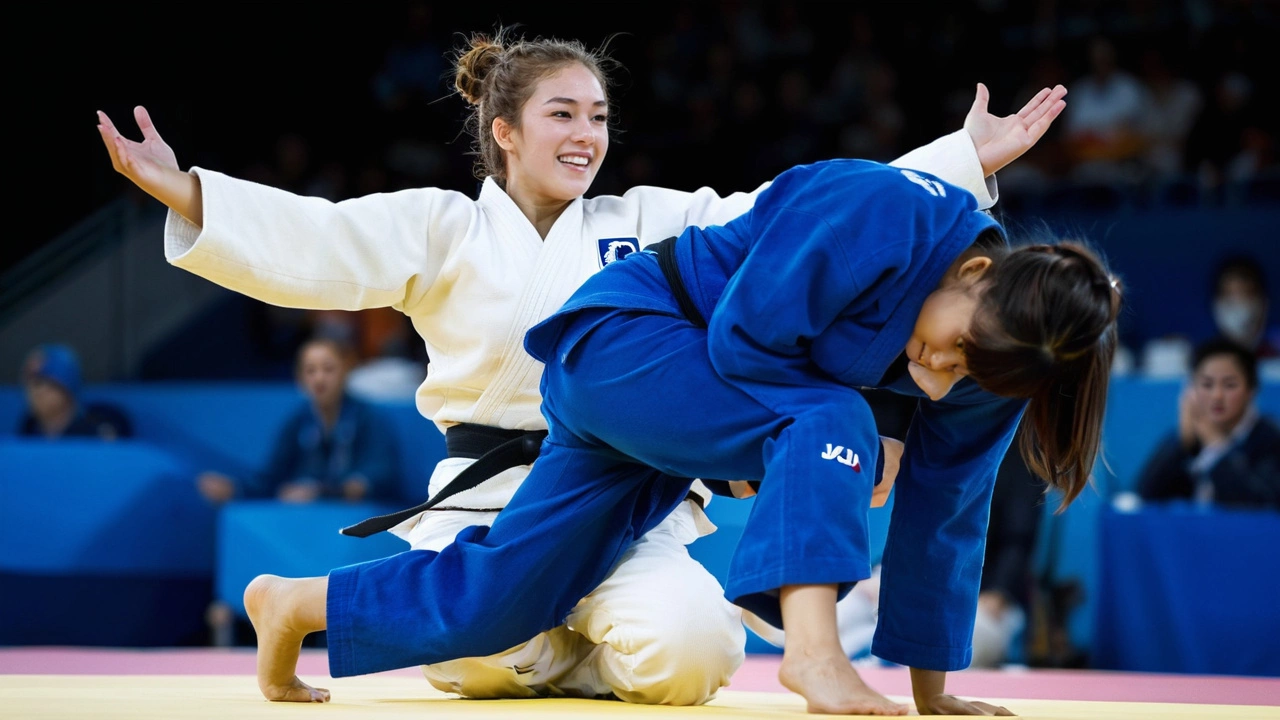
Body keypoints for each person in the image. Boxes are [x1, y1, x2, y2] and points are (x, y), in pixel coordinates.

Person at [97, 26, 1067, 707]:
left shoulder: (648, 219)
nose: (585, 137)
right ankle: (497, 625)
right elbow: (321, 240)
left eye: (598, 118)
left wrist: (952, 160)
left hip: (642, 473)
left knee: (690, 657)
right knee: (501, 631)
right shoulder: (440, 225)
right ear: (504, 132)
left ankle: (555, 627)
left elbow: (801, 221)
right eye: (561, 115)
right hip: (489, 485)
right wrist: (188, 193)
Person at [234, 158, 1117, 716]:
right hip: (631, 341)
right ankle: (813, 656)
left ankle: (297, 605)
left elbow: (947, 512)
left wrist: (934, 692)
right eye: (954, 346)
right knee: (832, 415)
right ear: (973, 269)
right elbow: (744, 340)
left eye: (968, 376)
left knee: (505, 599)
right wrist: (796, 456)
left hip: (670, 411)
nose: (941, 371)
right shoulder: (879, 207)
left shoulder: (1008, 354)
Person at [197, 337, 402, 504]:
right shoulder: (298, 421)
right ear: (300, 378)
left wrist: (321, 493)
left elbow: (377, 478)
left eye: (328, 369)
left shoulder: (367, 417)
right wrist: (234, 489)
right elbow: (270, 479)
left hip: (355, 521)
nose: (319, 379)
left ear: (346, 371)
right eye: (310, 370)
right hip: (305, 522)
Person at [1135, 337, 1280, 510]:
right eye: (1207, 384)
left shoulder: (1270, 439)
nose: (1217, 395)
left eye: (1229, 385)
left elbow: (1260, 505)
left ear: (1251, 390)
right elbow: (1145, 495)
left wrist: (1215, 446)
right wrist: (1183, 443)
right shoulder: (1186, 438)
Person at [16, 343, 131, 440]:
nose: (36, 392)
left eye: (48, 384)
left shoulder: (93, 434)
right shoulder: (28, 428)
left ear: (67, 389)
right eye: (30, 383)